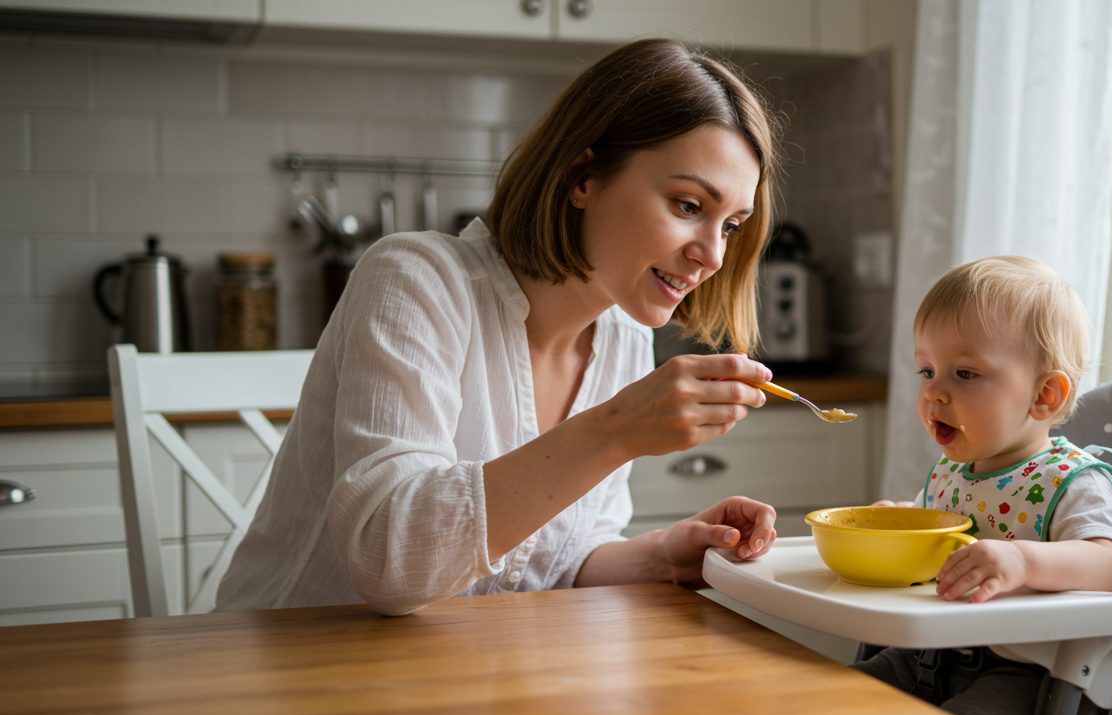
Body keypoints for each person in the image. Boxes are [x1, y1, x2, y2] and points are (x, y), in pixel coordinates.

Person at [216, 39, 784, 615]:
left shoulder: (623, 340)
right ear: (582, 177)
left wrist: (666, 555)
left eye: (732, 225)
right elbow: (390, 564)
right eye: (689, 205)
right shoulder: (416, 281)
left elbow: (553, 563)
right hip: (290, 667)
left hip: (458, 676)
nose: (713, 256)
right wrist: (614, 431)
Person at [854, 256, 1112, 715]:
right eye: (927, 370)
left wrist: (1023, 562)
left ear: (1044, 395)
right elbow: (932, 543)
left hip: (1025, 673)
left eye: (965, 373)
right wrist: (896, 522)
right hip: (926, 655)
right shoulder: (951, 474)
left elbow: (1106, 563)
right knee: (825, 701)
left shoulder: (1068, 478)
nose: (934, 391)